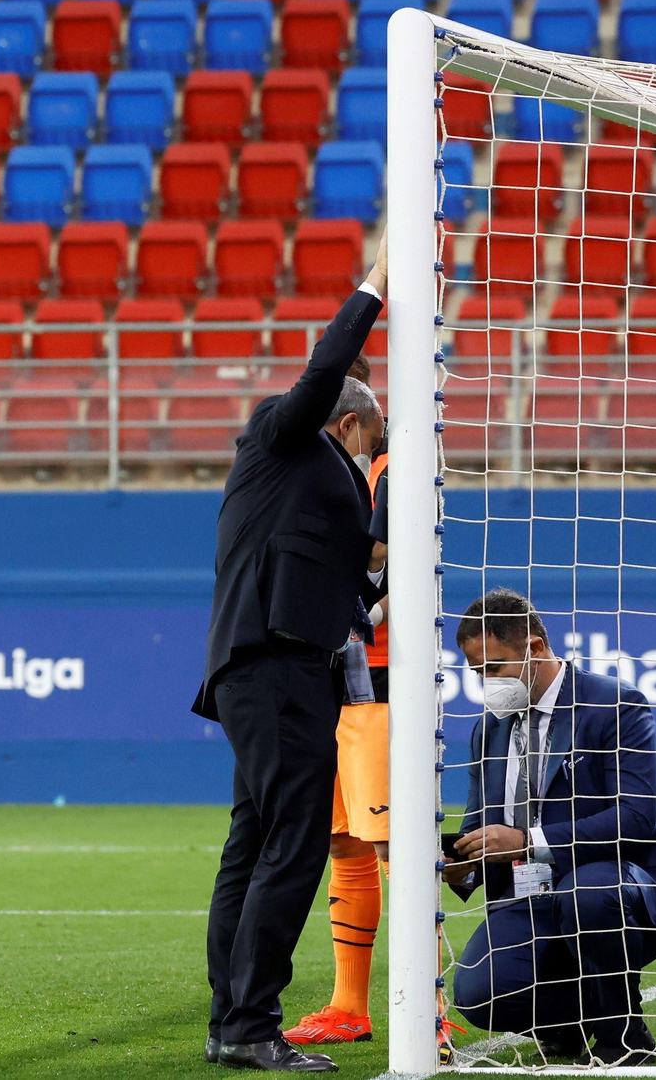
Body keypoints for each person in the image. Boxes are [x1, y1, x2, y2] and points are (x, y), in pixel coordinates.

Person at [194, 243, 389, 1073]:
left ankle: (232, 1018)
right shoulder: (281, 435)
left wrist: (383, 578)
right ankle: (248, 1024)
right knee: (293, 844)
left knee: (256, 840)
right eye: (370, 439)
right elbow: (323, 371)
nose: (370, 457)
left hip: (278, 669)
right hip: (273, 668)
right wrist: (375, 289)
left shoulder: (318, 494)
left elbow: (352, 590)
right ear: (346, 422)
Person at [443, 588, 656, 1065]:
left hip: (617, 888)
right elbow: (478, 825)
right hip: (526, 893)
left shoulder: (616, 704)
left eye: (493, 667)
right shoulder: (489, 729)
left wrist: (529, 841)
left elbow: (639, 817)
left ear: (536, 647)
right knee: (480, 994)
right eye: (476, 672)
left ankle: (622, 1034)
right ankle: (563, 1026)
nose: (485, 683)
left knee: (587, 895)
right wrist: (460, 865)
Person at [283, 360, 390, 1047]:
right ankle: (350, 1004)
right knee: (345, 841)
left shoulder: (390, 470)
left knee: (390, 847)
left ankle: (429, 1011)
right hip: (343, 681)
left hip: (381, 683)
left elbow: (380, 570)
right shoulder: (363, 470)